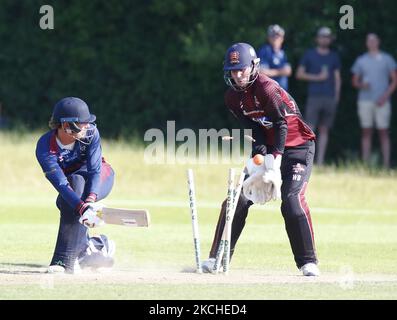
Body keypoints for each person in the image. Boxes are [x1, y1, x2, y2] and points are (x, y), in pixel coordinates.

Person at [202, 43, 319, 276]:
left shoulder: (267, 88)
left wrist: (274, 161)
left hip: (297, 147)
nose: (238, 75)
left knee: (291, 200)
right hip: (269, 150)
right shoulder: (232, 98)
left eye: (242, 69)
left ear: (254, 66)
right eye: (233, 71)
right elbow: (254, 129)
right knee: (236, 200)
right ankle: (217, 258)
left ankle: (308, 262)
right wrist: (258, 157)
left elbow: (280, 124)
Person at [35, 97, 116, 274]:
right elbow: (61, 184)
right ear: (66, 125)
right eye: (83, 123)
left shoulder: (92, 133)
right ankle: (94, 247)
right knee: (69, 197)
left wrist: (90, 201)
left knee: (76, 191)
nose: (87, 126)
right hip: (73, 184)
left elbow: (95, 170)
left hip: (102, 176)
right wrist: (81, 208)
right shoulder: (44, 147)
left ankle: (63, 260)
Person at [296, 27, 341, 166]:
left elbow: (338, 78)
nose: (324, 39)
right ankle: (307, 159)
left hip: (329, 97)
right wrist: (317, 77)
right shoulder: (309, 54)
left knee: (324, 129)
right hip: (314, 96)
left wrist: (336, 97)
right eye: (322, 36)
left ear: (330, 39)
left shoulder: (334, 56)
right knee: (310, 129)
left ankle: (320, 161)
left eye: (327, 37)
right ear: (317, 38)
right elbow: (299, 74)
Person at [351, 33, 397, 168]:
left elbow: (394, 80)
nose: (371, 42)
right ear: (366, 43)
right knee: (366, 131)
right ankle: (365, 164)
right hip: (364, 101)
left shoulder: (387, 59)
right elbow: (354, 81)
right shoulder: (361, 60)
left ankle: (386, 165)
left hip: (383, 101)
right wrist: (361, 85)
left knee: (384, 132)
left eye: (374, 40)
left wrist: (385, 96)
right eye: (369, 40)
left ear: (378, 42)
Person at [257, 24, 292, 90]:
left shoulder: (282, 52)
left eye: (278, 36)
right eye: (273, 36)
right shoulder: (265, 50)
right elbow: (261, 72)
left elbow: (288, 71)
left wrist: (274, 72)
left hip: (282, 92)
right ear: (268, 38)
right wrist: (280, 71)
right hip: (269, 91)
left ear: (282, 39)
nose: (275, 38)